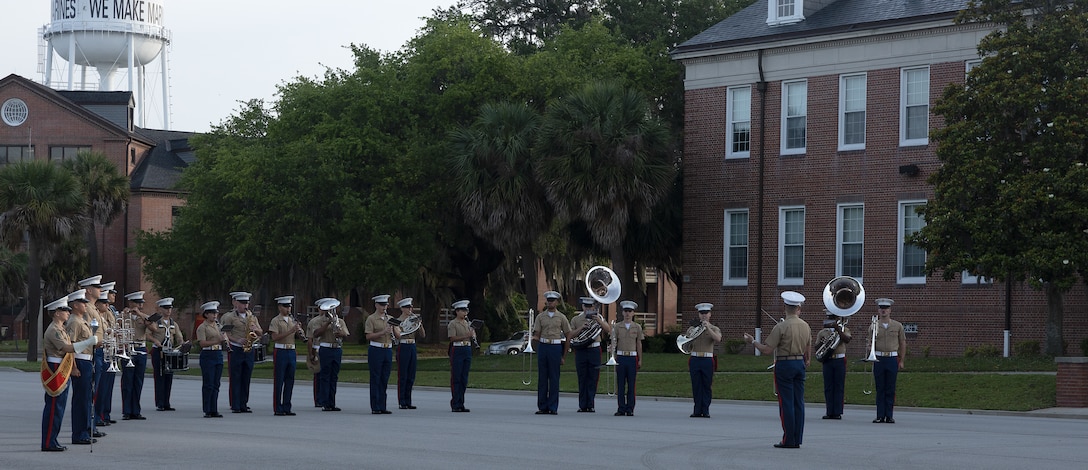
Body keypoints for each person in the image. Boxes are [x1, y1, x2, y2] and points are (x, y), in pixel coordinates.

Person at [745, 291, 812, 449]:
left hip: (785, 364)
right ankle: (797, 438)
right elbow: (808, 346)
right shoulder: (805, 325)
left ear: (785, 308)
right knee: (798, 402)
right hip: (799, 363)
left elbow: (767, 350)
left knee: (786, 403)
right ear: (798, 308)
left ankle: (788, 439)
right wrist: (807, 359)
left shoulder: (781, 326)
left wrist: (753, 341)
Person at [41, 296, 98, 452]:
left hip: (61, 366)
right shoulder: (54, 330)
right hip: (55, 366)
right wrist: (87, 342)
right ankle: (48, 442)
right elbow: (67, 348)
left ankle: (52, 440)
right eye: (64, 310)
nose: (67, 312)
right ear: (56, 313)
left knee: (59, 406)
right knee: (55, 406)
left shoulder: (61, 328)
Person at [65, 288, 102, 444]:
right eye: (82, 302)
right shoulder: (74, 321)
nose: (85, 305)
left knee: (87, 398)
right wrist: (73, 367)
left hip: (87, 360)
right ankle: (79, 433)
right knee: (81, 399)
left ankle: (85, 429)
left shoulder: (82, 320)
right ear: (74, 305)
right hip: (80, 361)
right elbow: (71, 346)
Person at [220, 291, 262, 413]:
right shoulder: (229, 317)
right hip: (236, 348)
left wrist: (256, 330)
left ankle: (244, 403)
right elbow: (225, 334)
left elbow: (260, 331)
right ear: (235, 303)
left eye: (247, 303)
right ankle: (235, 404)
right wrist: (237, 339)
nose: (245, 305)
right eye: (242, 303)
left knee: (246, 377)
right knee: (236, 376)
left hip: (249, 348)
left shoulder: (252, 316)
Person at [568, 295, 611, 413]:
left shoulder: (599, 317)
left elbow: (608, 330)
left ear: (593, 306)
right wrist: (581, 328)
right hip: (581, 350)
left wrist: (599, 321)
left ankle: (590, 404)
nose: (588, 308)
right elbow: (571, 335)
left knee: (593, 377)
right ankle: (582, 405)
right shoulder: (576, 319)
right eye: (586, 306)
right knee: (582, 377)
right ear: (582, 306)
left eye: (590, 306)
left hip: (594, 350)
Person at [533, 292, 570, 415]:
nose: (550, 302)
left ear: (557, 302)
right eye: (549, 300)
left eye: (553, 300)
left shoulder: (561, 317)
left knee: (554, 378)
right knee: (542, 378)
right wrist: (533, 342)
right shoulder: (540, 317)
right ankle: (542, 406)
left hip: (555, 346)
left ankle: (553, 406)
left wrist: (564, 356)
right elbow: (537, 334)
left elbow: (568, 334)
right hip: (543, 346)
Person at [871, 298, 907, 424]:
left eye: (886, 308)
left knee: (890, 388)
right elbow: (870, 343)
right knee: (880, 388)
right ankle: (880, 415)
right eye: (881, 308)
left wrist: (901, 360)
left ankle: (889, 415)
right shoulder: (874, 325)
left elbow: (902, 343)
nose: (883, 311)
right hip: (879, 358)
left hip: (892, 358)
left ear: (890, 310)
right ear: (878, 310)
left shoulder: (897, 326)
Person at [268, 295, 302, 416]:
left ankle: (287, 406)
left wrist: (299, 331)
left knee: (290, 380)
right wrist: (290, 331)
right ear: (279, 307)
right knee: (279, 380)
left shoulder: (293, 320)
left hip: (291, 351)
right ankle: (278, 407)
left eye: (289, 306)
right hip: (280, 351)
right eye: (285, 306)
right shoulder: (276, 321)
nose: (288, 309)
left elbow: (297, 336)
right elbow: (274, 337)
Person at [312, 298, 348, 411]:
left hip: (337, 349)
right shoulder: (319, 321)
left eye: (333, 308)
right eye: (330, 308)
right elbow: (316, 333)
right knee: (325, 376)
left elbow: (346, 334)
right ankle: (325, 402)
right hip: (325, 348)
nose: (332, 311)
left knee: (334, 377)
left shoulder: (340, 321)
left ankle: (332, 402)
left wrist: (339, 331)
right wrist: (328, 323)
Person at [688, 303, 723, 418]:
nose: (704, 316)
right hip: (695, 358)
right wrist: (694, 332)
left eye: (706, 313)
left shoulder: (714, 328)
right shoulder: (692, 329)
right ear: (699, 315)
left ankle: (706, 409)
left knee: (707, 385)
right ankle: (697, 409)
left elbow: (718, 339)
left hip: (707, 359)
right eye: (701, 313)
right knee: (696, 385)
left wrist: (707, 327)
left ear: (710, 315)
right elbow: (687, 343)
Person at [149, 297, 183, 411]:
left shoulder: (174, 323)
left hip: (169, 351)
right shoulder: (156, 322)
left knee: (169, 377)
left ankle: (166, 402)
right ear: (160, 309)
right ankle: (160, 403)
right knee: (159, 377)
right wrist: (155, 341)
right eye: (166, 308)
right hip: (159, 351)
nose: (168, 311)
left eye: (170, 308)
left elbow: (178, 336)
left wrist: (182, 344)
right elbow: (147, 334)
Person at [120, 291, 149, 420]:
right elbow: (116, 329)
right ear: (131, 303)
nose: (139, 305)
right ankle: (127, 410)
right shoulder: (123, 316)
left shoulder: (144, 317)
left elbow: (153, 327)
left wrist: (140, 314)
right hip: (128, 349)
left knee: (138, 382)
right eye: (137, 303)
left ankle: (136, 411)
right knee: (127, 382)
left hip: (141, 349)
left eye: (141, 303)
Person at [93, 282, 119, 427]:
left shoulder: (108, 313)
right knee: (100, 387)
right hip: (100, 351)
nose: (107, 305)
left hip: (109, 351)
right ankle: (98, 415)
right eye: (105, 302)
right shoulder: (97, 316)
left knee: (107, 386)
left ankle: (104, 414)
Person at [195, 301, 227, 418]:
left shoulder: (218, 326)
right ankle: (207, 409)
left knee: (216, 384)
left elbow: (222, 339)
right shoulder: (202, 327)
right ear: (206, 314)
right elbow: (202, 343)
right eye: (212, 313)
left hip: (218, 353)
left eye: (216, 313)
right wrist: (218, 341)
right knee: (208, 384)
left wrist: (225, 340)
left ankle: (214, 409)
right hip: (208, 354)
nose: (215, 315)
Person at [818, 310, 851, 420]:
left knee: (839, 386)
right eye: (829, 318)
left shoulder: (844, 329)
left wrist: (838, 329)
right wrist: (822, 342)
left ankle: (837, 412)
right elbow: (816, 348)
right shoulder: (822, 332)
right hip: (827, 360)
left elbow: (847, 339)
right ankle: (829, 411)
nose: (831, 320)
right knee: (828, 386)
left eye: (833, 318)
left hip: (839, 360)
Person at [613, 300, 644, 416]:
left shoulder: (637, 327)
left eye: (629, 311)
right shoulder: (617, 326)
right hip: (621, 357)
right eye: (625, 311)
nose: (627, 314)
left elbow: (639, 344)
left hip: (632, 357)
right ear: (622, 312)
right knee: (620, 384)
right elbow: (614, 342)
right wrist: (613, 355)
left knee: (631, 384)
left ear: (633, 313)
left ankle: (630, 408)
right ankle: (621, 408)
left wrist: (640, 359)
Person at [365, 294, 395, 414]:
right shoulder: (371, 319)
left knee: (384, 378)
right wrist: (383, 332)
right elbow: (368, 336)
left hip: (388, 350)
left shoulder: (390, 318)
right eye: (382, 305)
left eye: (386, 305)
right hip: (376, 349)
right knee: (376, 377)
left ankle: (383, 405)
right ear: (376, 305)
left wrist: (395, 330)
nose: (384, 307)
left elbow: (398, 336)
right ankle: (375, 406)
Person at [395, 297, 425, 410]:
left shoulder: (413, 319)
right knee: (403, 375)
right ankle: (402, 401)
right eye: (407, 307)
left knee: (411, 375)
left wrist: (420, 324)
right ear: (402, 308)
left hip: (412, 345)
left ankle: (408, 400)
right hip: (403, 346)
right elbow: (398, 335)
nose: (410, 309)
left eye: (411, 307)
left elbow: (423, 335)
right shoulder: (398, 321)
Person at [447, 300, 474, 412]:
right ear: (457, 311)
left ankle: (461, 403)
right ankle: (455, 403)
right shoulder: (453, 323)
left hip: (467, 349)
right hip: (457, 349)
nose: (465, 312)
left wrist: (472, 335)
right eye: (463, 310)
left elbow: (469, 336)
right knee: (456, 377)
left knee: (464, 378)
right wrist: (466, 335)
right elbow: (452, 338)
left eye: (466, 310)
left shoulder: (468, 323)